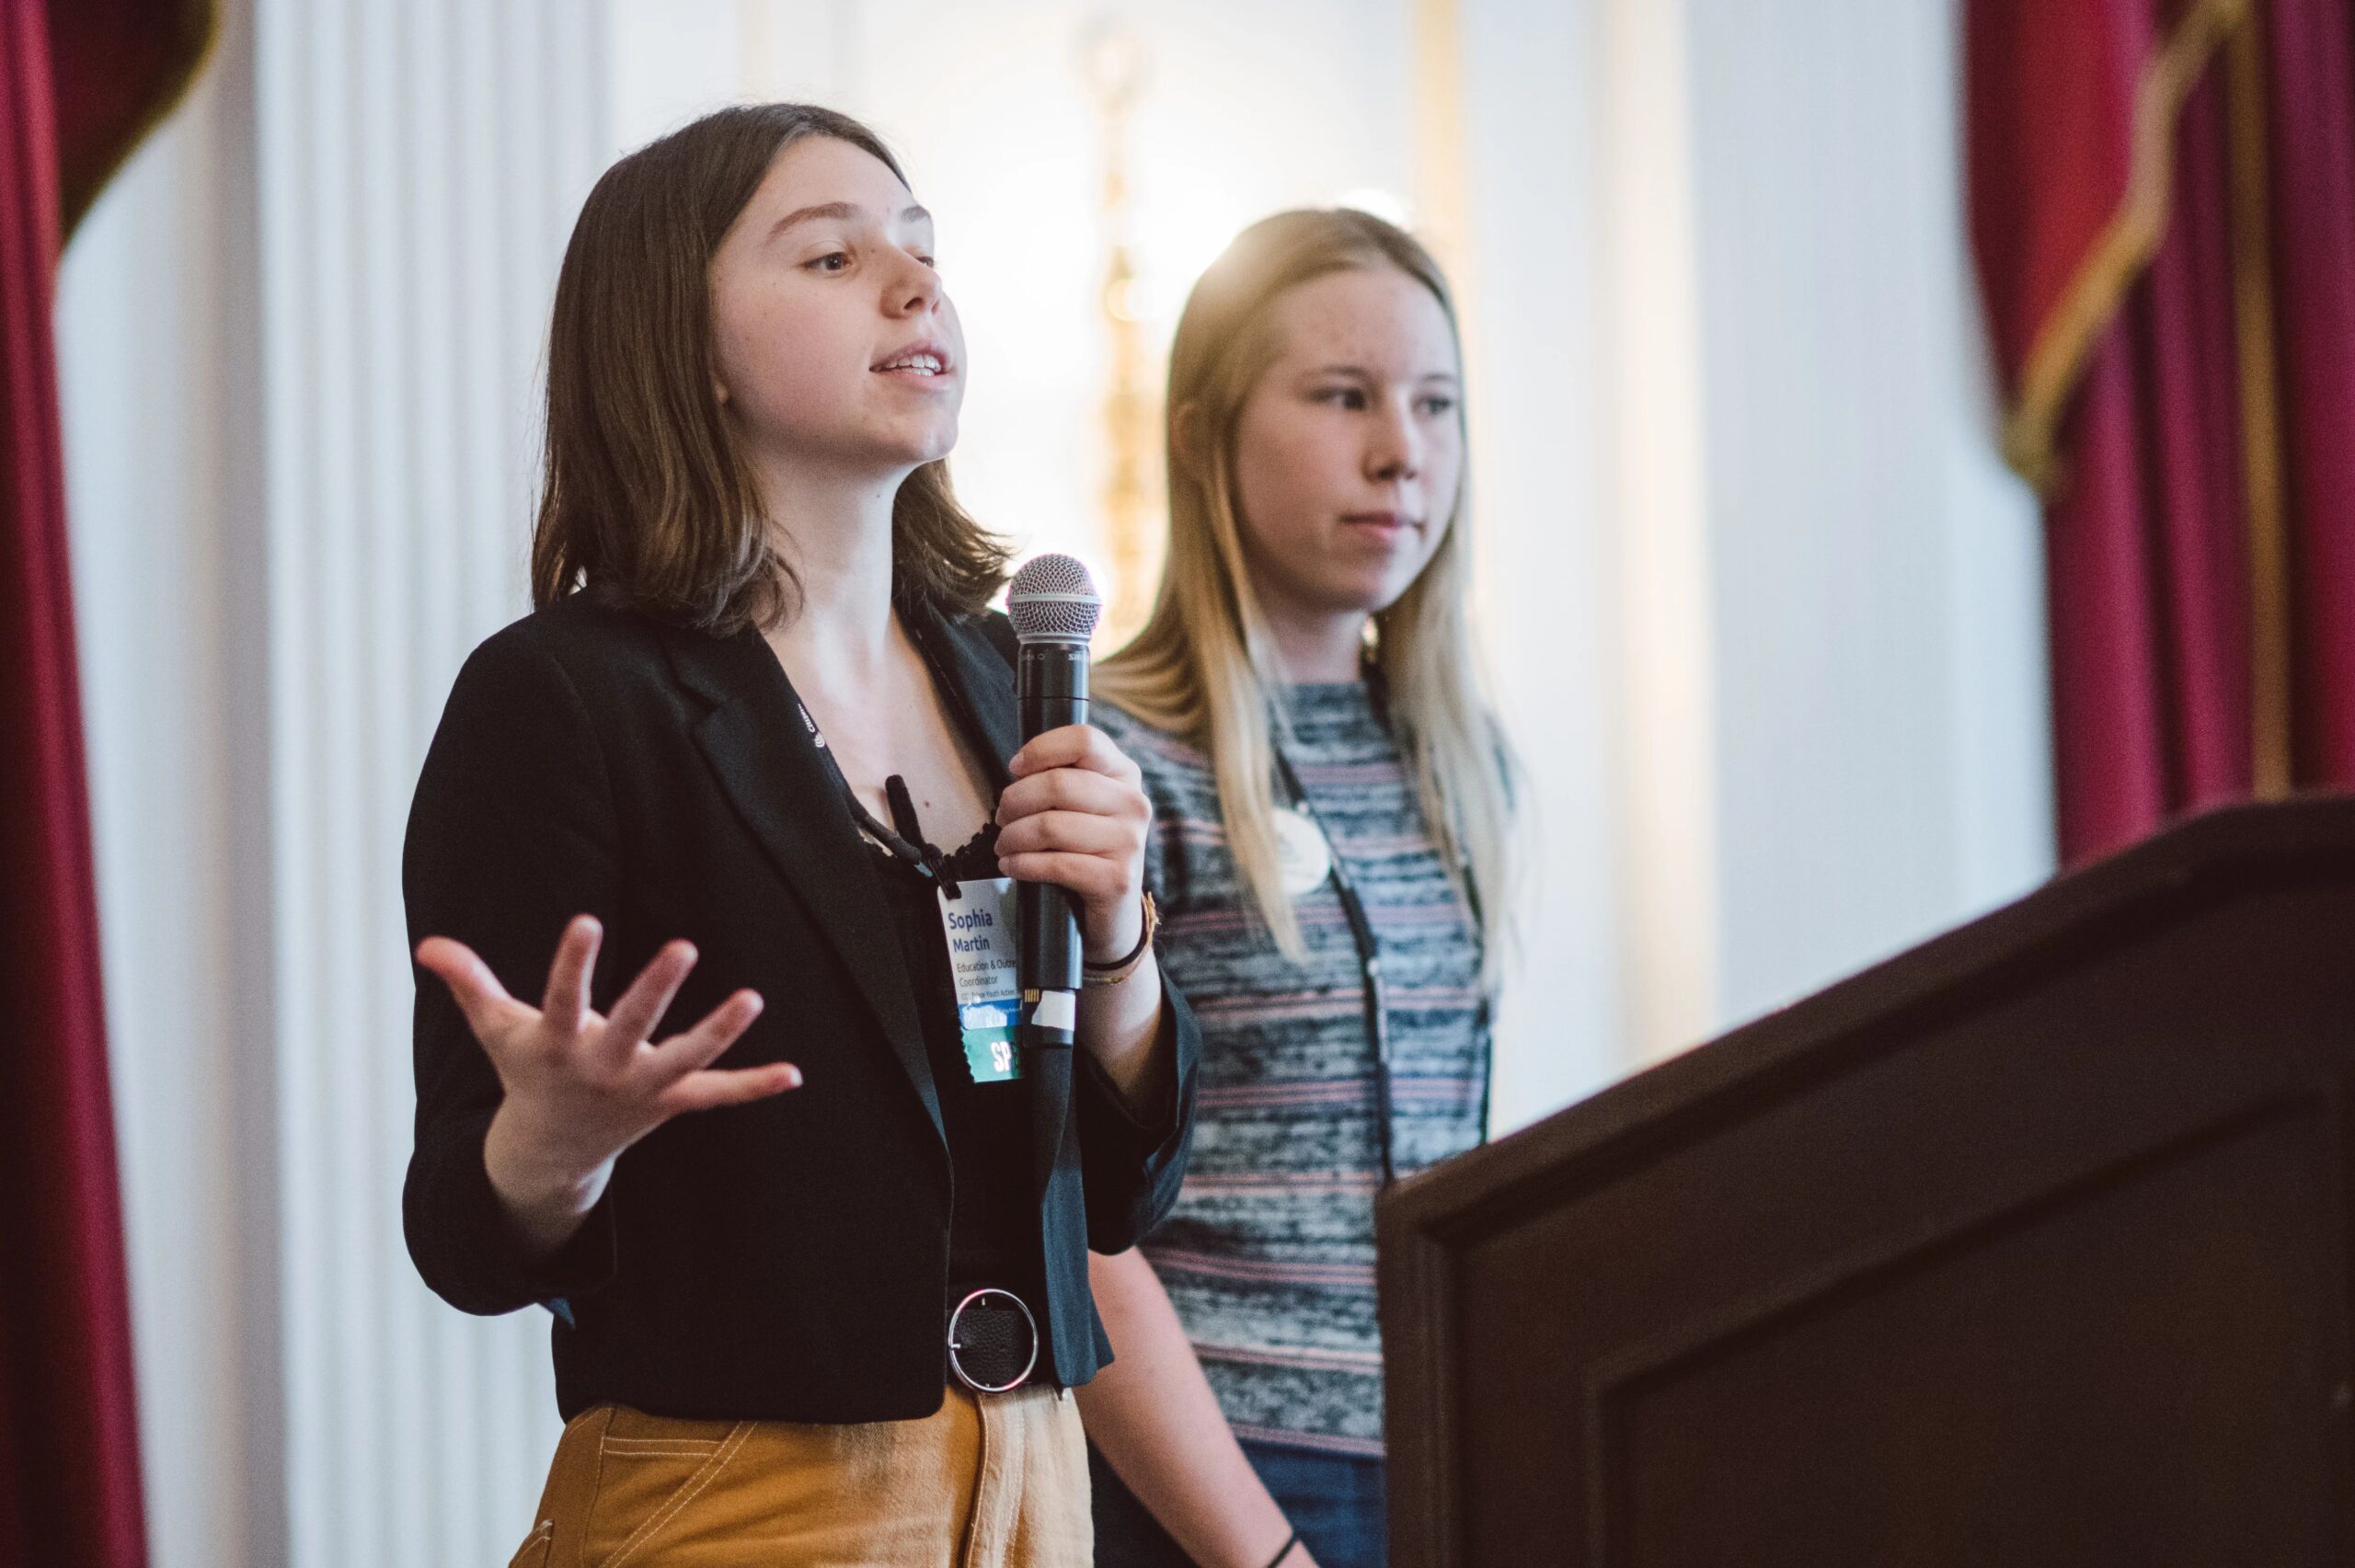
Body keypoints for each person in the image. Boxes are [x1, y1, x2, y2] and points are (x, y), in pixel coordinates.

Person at [402, 102, 1198, 1568]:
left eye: (924, 251)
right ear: (683, 348)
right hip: (743, 1492)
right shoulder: (566, 697)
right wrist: (552, 1145)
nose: (915, 287)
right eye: (832, 257)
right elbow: (459, 1225)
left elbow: (1124, 1187)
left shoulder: (1001, 675)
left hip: (1039, 1473)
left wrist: (1122, 942)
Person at [1077, 210, 1515, 1568]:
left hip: (1454, 1453)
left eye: (1435, 404)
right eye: (1344, 397)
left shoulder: (1457, 754)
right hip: (1203, 1485)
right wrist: (1258, 1552)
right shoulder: (1112, 760)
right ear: (1208, 436)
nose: (1405, 451)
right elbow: (1071, 1219)